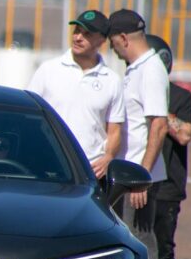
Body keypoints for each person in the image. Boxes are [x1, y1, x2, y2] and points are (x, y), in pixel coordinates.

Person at [108, 9, 169, 259]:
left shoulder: (151, 70)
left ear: (122, 38)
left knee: (143, 244)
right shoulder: (136, 70)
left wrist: (142, 176)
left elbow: (158, 124)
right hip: (130, 173)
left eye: (113, 43)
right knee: (130, 242)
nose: (113, 50)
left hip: (139, 177)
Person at [27, 9, 125, 179]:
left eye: (86, 34)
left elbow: (115, 131)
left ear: (102, 40)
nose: (78, 37)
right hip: (48, 164)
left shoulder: (112, 80)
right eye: (77, 31)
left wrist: (108, 157)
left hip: (90, 171)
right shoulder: (48, 70)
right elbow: (30, 115)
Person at [148, 36, 191, 259]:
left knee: (163, 248)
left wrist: (157, 108)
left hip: (167, 186)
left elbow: (184, 134)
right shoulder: (131, 90)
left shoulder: (180, 98)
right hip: (136, 180)